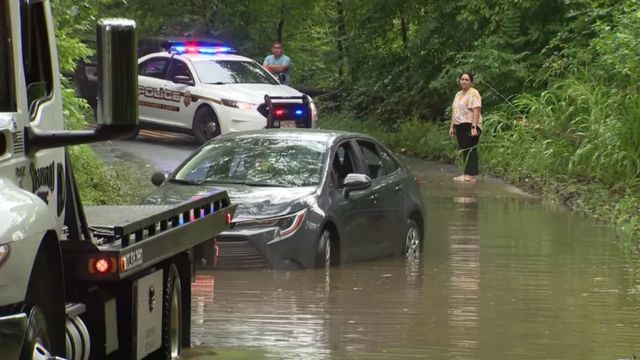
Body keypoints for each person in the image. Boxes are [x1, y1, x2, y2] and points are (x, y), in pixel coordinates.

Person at [449, 72, 482, 183]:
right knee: (464, 148)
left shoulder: (473, 93)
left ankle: (470, 175)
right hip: (460, 125)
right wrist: (452, 126)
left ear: (471, 82)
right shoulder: (458, 94)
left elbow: (476, 110)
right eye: (462, 79)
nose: (464, 81)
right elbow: (455, 111)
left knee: (470, 148)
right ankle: (467, 173)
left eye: (467, 79)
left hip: (470, 124)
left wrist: (474, 127)